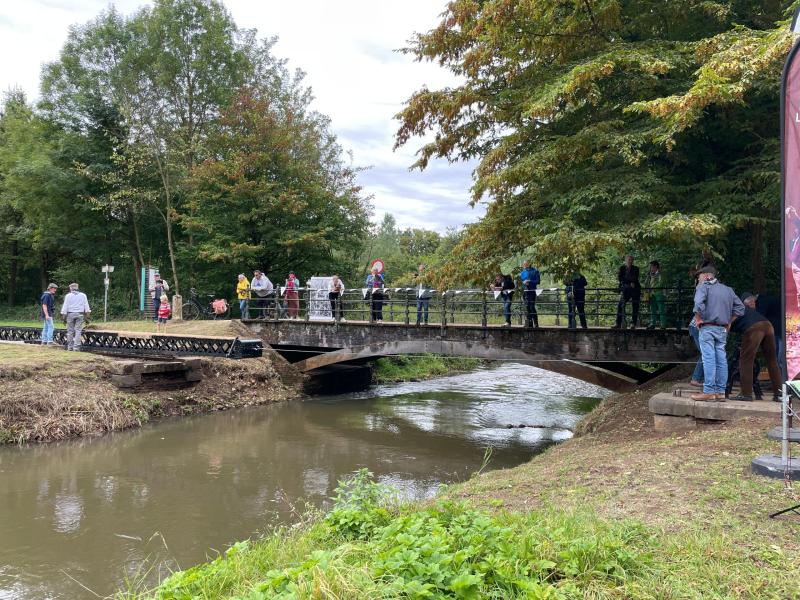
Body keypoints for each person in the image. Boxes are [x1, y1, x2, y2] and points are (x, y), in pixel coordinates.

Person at [691, 266, 744, 401]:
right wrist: (729, 322)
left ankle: (708, 391)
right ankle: (720, 392)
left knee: (708, 358)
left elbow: (698, 303)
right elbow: (741, 308)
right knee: (721, 360)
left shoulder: (704, 287)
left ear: (708, 276)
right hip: (722, 329)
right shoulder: (728, 290)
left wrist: (697, 319)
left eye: (700, 276)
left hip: (707, 327)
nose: (699, 279)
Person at [728, 304, 783, 402]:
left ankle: (746, 394)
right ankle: (779, 394)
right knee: (772, 360)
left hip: (754, 327)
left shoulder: (723, 309)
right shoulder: (737, 304)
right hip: (768, 325)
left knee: (746, 360)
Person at [741, 292, 784, 379]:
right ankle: (780, 382)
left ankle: (784, 382)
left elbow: (758, 320)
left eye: (748, 305)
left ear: (752, 300)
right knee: (776, 358)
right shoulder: (763, 300)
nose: (749, 307)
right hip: (777, 331)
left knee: (780, 359)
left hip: (782, 331)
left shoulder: (763, 302)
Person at [60, 282, 91, 351]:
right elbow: (86, 306)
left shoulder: (68, 296)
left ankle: (70, 347)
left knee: (70, 331)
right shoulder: (83, 295)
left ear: (71, 289)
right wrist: (87, 317)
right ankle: (76, 347)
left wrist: (63, 318)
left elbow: (65, 307)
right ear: (77, 288)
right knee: (78, 331)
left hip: (70, 314)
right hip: (80, 314)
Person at [614, 255, 640, 329]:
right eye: (628, 260)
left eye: (631, 260)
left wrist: (627, 280)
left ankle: (633, 323)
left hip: (635, 290)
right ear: (625, 260)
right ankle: (618, 323)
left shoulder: (636, 268)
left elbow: (634, 278)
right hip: (626, 290)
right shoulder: (622, 268)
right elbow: (620, 278)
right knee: (620, 305)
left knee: (635, 306)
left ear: (633, 261)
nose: (630, 261)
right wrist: (629, 282)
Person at [645, 260, 667, 329]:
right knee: (652, 309)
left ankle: (663, 325)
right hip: (652, 294)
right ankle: (652, 324)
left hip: (660, 294)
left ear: (655, 266)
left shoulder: (661, 274)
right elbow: (646, 284)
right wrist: (648, 276)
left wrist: (652, 288)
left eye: (651, 266)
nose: (650, 268)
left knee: (661, 309)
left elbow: (661, 283)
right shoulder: (650, 274)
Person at [519, 260, 540, 328]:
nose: (524, 265)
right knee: (527, 307)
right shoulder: (522, 272)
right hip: (524, 291)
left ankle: (536, 323)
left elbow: (538, 281)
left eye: (526, 264)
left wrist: (530, 281)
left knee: (532, 307)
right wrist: (523, 283)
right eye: (524, 264)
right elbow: (519, 283)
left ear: (529, 264)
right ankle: (529, 323)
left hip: (532, 291)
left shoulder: (535, 271)